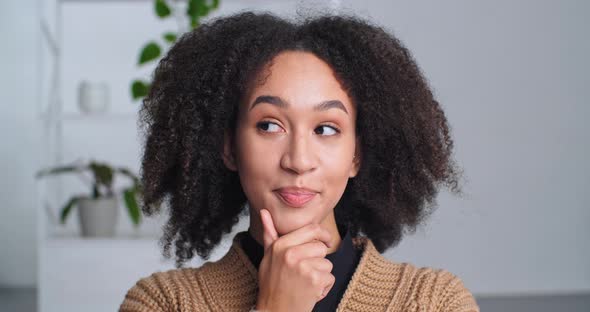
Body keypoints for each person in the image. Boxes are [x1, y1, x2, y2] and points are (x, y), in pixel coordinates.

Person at [119, 10, 479, 312]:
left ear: (356, 155)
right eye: (269, 125)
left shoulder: (434, 302)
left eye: (325, 129)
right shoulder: (164, 303)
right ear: (229, 147)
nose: (298, 160)